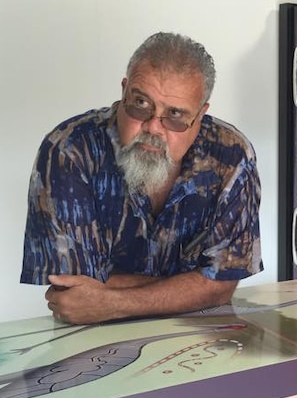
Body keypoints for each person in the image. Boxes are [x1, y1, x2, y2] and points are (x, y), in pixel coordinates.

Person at [20, 32, 262, 324]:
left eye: (174, 115)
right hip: (89, 344)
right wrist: (193, 284)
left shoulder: (232, 156)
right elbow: (72, 294)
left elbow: (221, 286)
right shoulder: (69, 150)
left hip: (196, 339)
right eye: (141, 104)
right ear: (124, 91)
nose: (153, 127)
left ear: (201, 115)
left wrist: (111, 301)